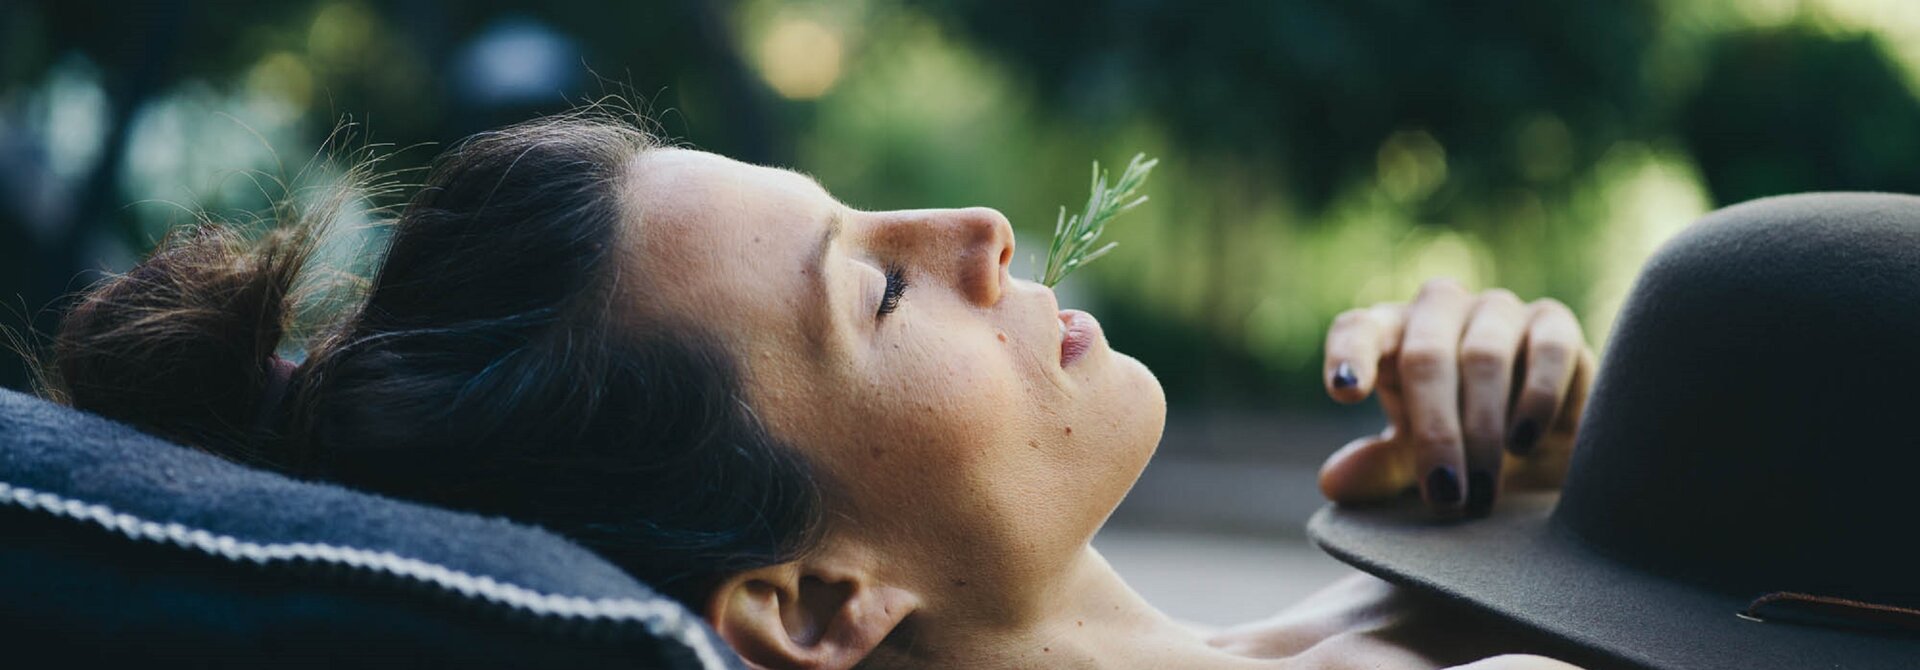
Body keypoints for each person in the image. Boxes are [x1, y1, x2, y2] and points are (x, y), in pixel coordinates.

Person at [42, 112, 1598, 669]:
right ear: (814, 598)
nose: (980, 235)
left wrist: (1579, 478)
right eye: (879, 289)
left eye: (869, 214)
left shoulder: (1420, 568)